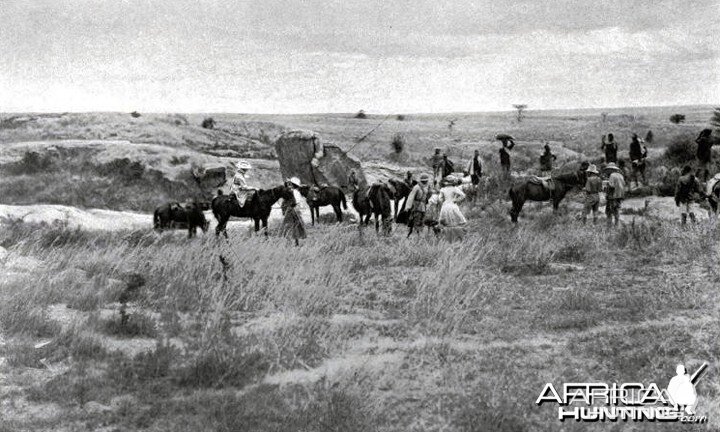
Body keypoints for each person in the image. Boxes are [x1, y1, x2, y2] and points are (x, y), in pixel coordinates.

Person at [280, 177, 307, 246]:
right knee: (296, 227)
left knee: (289, 227)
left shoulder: (293, 192)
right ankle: (296, 243)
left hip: (291, 211)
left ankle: (289, 243)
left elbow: (293, 202)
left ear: (292, 184)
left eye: (290, 184)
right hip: (295, 211)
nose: (289, 185)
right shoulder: (296, 192)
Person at [405, 173, 431, 237]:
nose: (426, 182)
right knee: (416, 220)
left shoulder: (426, 187)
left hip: (423, 207)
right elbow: (411, 197)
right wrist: (408, 207)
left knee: (421, 220)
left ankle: (416, 234)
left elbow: (427, 196)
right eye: (425, 181)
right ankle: (416, 234)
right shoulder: (416, 187)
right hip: (416, 206)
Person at [604, 162, 626, 227]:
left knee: (608, 212)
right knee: (616, 211)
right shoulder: (621, 175)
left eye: (609, 170)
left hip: (612, 196)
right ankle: (617, 225)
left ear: (611, 169)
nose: (608, 171)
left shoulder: (612, 175)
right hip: (620, 196)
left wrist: (606, 187)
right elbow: (624, 185)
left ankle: (609, 226)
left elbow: (611, 186)